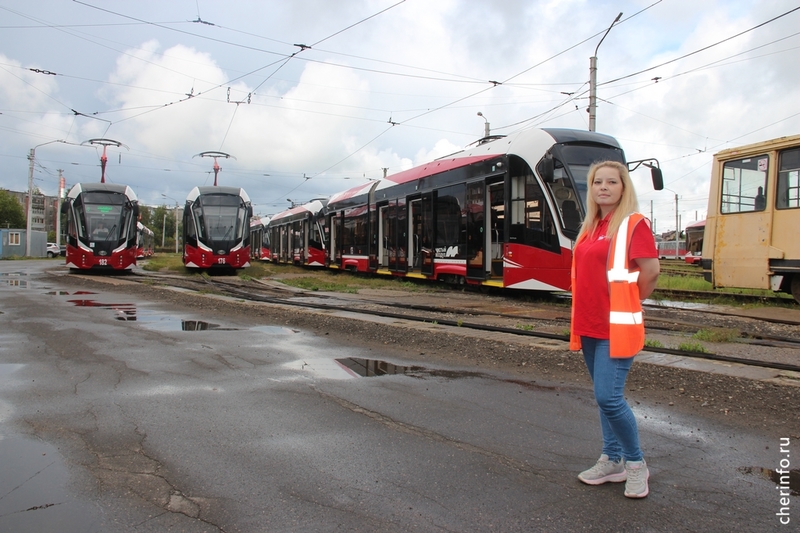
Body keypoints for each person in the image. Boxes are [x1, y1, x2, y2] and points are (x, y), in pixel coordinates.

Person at [569, 160, 660, 499]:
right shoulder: (591, 226)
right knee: (605, 400)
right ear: (591, 189)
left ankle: (636, 464)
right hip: (589, 325)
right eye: (597, 183)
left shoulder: (633, 224)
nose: (603, 187)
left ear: (624, 188)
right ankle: (612, 459)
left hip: (615, 327)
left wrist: (630, 302)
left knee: (608, 397)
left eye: (611, 182)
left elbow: (650, 271)